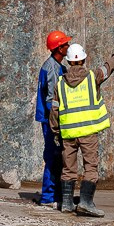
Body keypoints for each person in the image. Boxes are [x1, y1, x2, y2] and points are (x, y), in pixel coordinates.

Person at [50, 36, 114, 217]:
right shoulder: (93, 77)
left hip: (68, 134)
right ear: (83, 60)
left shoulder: (60, 83)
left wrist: (56, 133)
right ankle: (85, 202)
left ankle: (68, 204)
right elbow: (109, 67)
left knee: (68, 169)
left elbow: (54, 111)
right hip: (87, 133)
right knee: (90, 168)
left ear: (69, 61)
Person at [34, 30, 71, 207]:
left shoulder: (58, 67)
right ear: (59, 48)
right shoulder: (51, 69)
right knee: (52, 156)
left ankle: (55, 195)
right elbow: (50, 100)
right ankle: (48, 197)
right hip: (51, 121)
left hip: (52, 119)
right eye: (65, 44)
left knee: (57, 157)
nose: (68, 47)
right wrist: (56, 123)